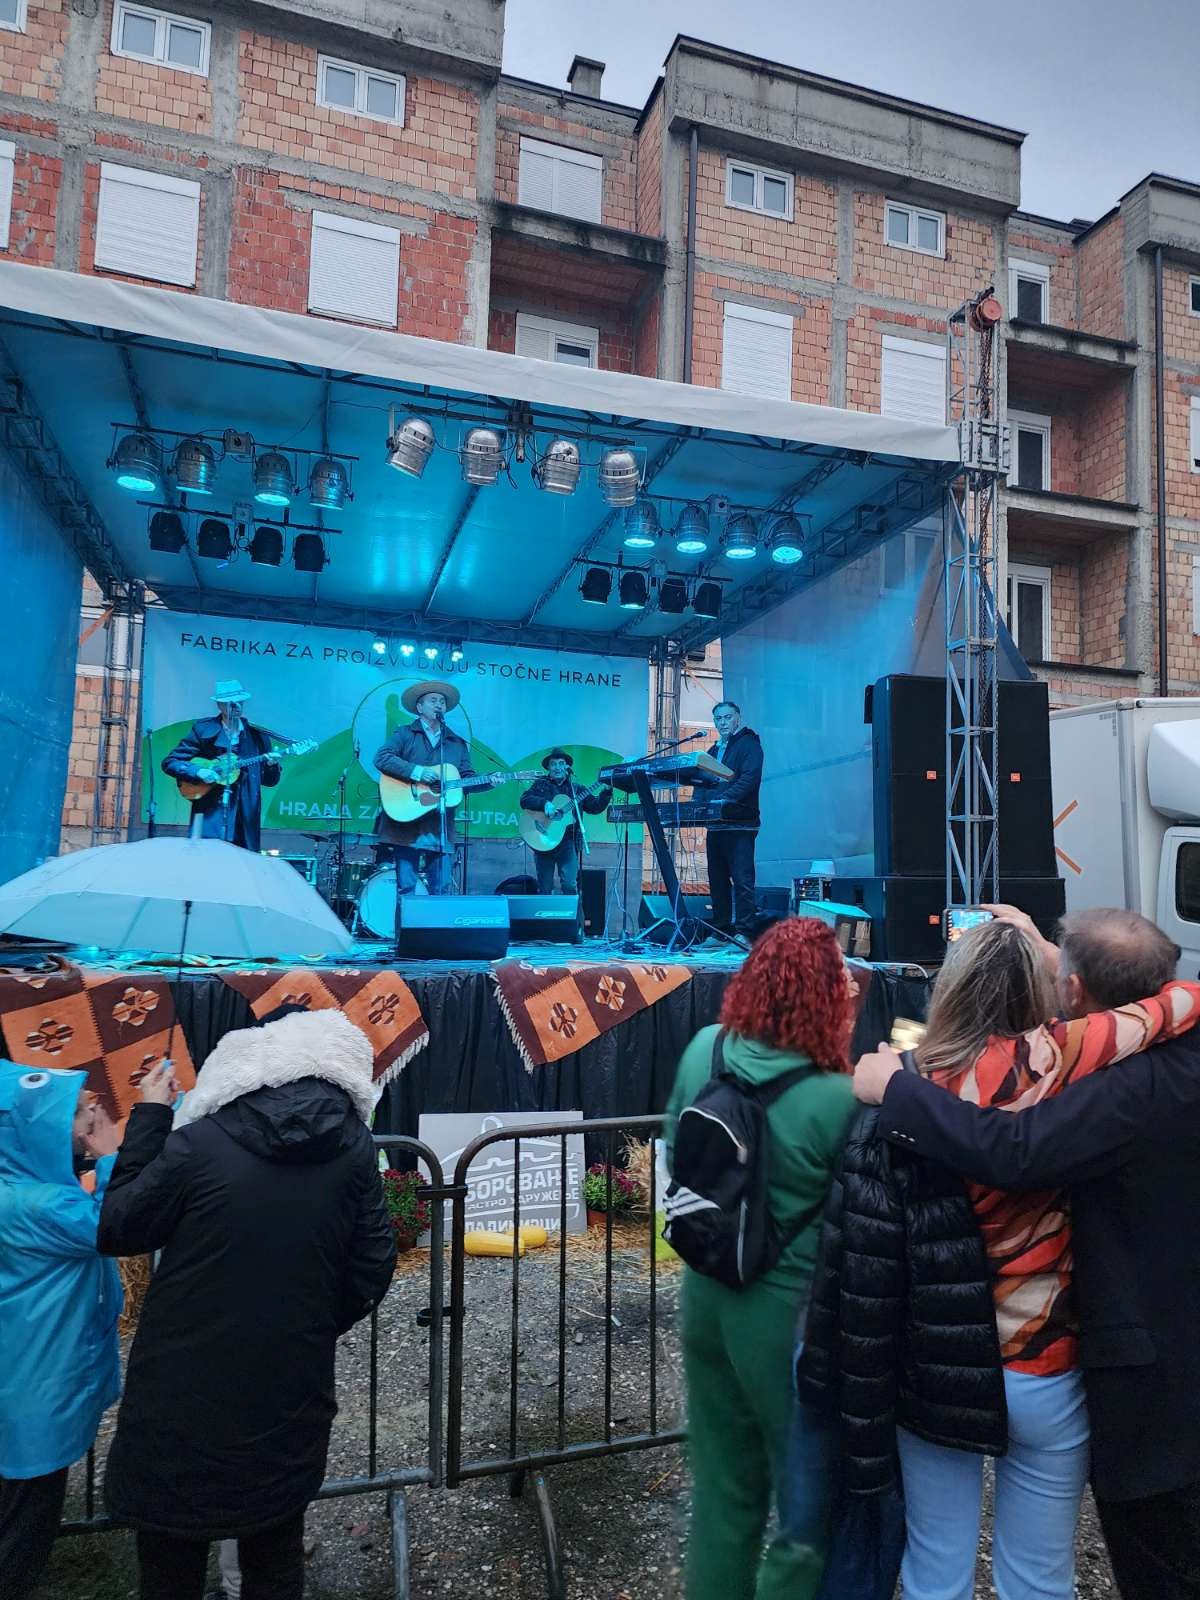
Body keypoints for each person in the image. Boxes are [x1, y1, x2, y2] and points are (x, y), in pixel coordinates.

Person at [843, 915, 1200, 1600]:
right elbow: (1164, 1008)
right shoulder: (1074, 1063)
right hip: (1044, 1363)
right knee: (1039, 1576)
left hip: (938, 1363)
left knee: (935, 1565)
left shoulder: (911, 1081)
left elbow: (870, 1247)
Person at [97, 1009, 396, 1600]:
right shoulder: (352, 1145)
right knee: (274, 1549)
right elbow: (372, 1265)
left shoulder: (199, 1142)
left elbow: (120, 1228)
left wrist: (151, 1115)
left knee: (171, 1558)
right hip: (289, 1381)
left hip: (181, 1385)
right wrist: (309, 1324)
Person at [663, 917, 858, 1600]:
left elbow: (674, 1151)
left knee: (723, 1493)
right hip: (784, 1317)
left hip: (704, 1295)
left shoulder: (704, 1049)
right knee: (805, 1515)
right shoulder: (838, 1098)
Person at [0, 1064, 122, 1599]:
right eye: (73, 1114)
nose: (89, 1116)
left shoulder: (18, 1185)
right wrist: (112, 1153)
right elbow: (114, 1223)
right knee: (27, 1512)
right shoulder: (38, 1204)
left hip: (21, 1367)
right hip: (36, 1382)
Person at [161, 679, 281, 852]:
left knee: (243, 861)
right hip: (211, 811)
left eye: (240, 702)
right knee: (209, 857)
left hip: (245, 815)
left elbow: (270, 781)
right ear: (220, 705)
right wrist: (199, 771)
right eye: (231, 703)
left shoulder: (257, 736)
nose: (236, 706)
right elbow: (171, 762)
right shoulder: (204, 730)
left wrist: (271, 765)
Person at [693, 701, 762, 944]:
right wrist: (698, 804)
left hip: (739, 824)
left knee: (742, 880)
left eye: (727, 717)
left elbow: (750, 779)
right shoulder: (713, 750)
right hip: (716, 824)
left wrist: (723, 800)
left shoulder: (749, 744)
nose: (722, 722)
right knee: (717, 880)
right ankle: (721, 932)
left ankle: (745, 933)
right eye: (718, 719)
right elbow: (701, 781)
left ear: (738, 719)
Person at [518, 749, 612, 894]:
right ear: (548, 768)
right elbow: (525, 800)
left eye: (561, 763)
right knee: (545, 888)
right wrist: (544, 804)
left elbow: (594, 807)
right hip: (543, 841)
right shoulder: (540, 785)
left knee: (569, 885)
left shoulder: (576, 789)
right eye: (553, 764)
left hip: (567, 842)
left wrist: (606, 792)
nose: (557, 767)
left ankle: (571, 909)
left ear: (567, 767)